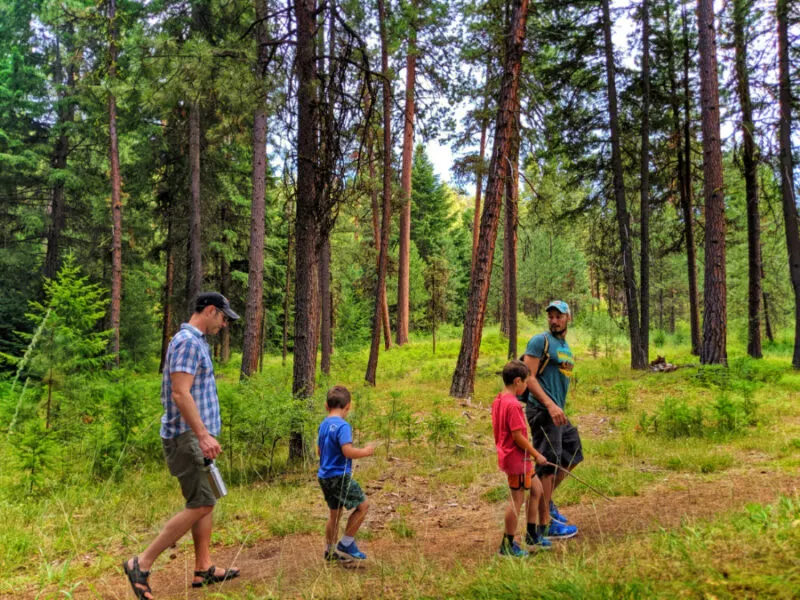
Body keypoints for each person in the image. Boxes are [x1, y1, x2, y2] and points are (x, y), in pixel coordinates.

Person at [123, 292, 241, 599]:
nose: (224, 324)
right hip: (188, 437)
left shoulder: (196, 341)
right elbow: (180, 394)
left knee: (207, 499)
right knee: (200, 503)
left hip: (195, 436)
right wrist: (202, 435)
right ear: (210, 311)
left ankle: (204, 568)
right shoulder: (188, 342)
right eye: (223, 317)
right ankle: (141, 562)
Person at [522, 300, 582, 540]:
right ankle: (545, 523)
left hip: (557, 412)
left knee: (573, 453)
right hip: (543, 411)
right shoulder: (540, 341)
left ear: (569, 318)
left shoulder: (564, 345)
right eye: (551, 316)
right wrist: (549, 404)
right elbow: (528, 376)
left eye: (559, 316)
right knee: (547, 465)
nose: (554, 320)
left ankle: (547, 502)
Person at [491, 360, 552, 557]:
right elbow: (517, 437)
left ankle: (532, 535)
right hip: (517, 458)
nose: (526, 386)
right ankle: (507, 546)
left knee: (536, 489)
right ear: (517, 381)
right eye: (525, 382)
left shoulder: (499, 399)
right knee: (516, 500)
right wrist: (537, 454)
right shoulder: (513, 405)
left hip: (519, 458)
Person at [317, 385, 375, 562]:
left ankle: (330, 551)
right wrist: (366, 451)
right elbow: (347, 451)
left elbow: (320, 452)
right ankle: (347, 542)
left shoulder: (323, 425)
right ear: (348, 406)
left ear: (327, 406)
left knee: (335, 513)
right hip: (339, 477)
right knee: (363, 506)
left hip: (324, 476)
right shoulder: (343, 426)